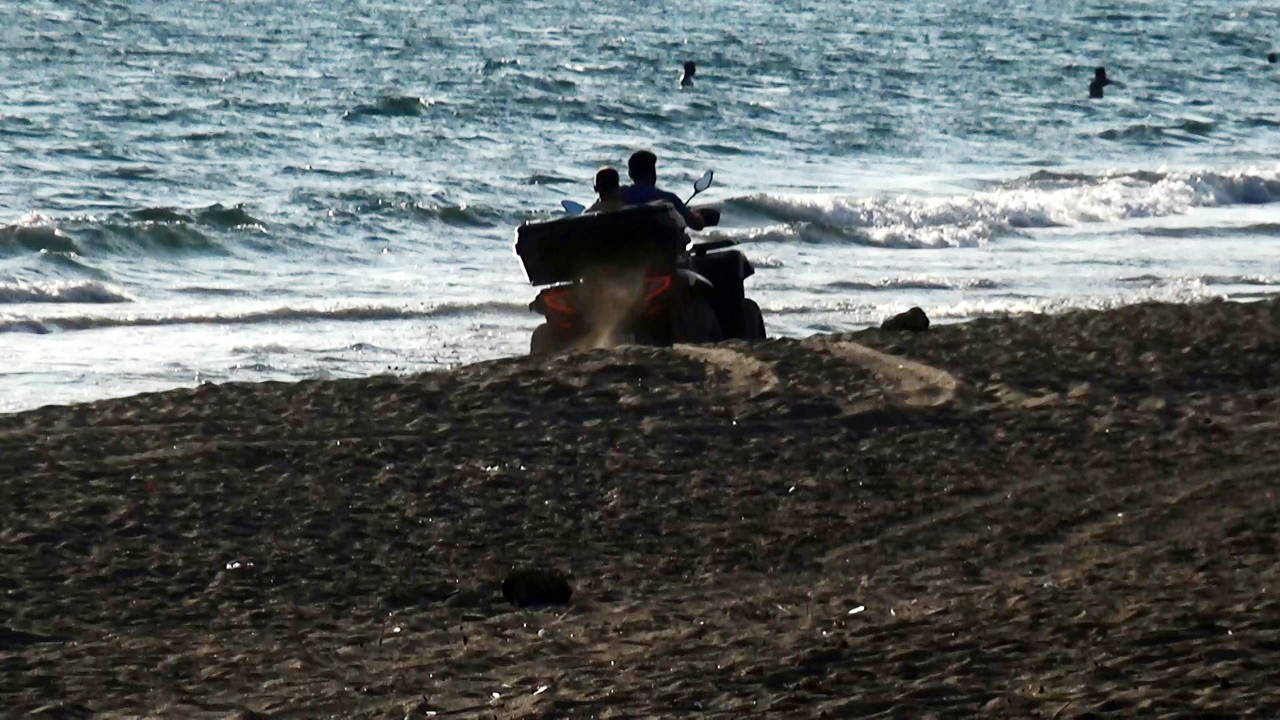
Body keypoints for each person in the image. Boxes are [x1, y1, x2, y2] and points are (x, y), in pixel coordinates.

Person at [620, 150, 705, 230]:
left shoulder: (619, 195)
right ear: (653, 173)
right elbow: (697, 225)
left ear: (630, 174)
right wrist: (695, 213)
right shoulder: (668, 198)